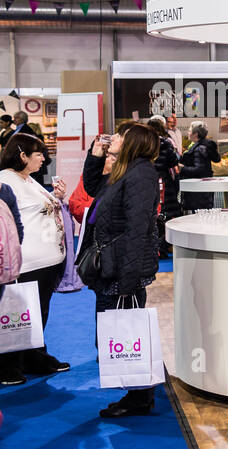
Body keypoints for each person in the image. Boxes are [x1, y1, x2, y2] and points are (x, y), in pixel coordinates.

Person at [79, 124, 161, 417]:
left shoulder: (141, 175)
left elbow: (138, 230)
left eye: (119, 135)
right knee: (114, 333)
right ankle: (138, 393)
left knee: (125, 335)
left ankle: (139, 396)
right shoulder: (125, 171)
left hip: (122, 270)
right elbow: (93, 190)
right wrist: (96, 156)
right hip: (112, 267)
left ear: (132, 143)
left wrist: (127, 279)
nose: (111, 137)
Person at [0, 133, 70, 386]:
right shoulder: (5, 181)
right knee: (15, 316)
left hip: (46, 263)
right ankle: (7, 365)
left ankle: (33, 357)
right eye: (38, 153)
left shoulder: (27, 179)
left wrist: (58, 198)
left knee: (37, 314)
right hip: (25, 264)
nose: (44, 158)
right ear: (22, 156)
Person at [147, 116, 181, 256]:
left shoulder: (145, 143)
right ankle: (162, 245)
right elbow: (174, 163)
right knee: (173, 216)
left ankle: (156, 246)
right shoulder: (165, 143)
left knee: (154, 215)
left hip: (149, 181)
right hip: (164, 184)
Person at [177, 121, 221, 211]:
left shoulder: (199, 149)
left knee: (198, 216)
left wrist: (182, 168)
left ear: (195, 134)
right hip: (203, 190)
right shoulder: (203, 146)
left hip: (198, 192)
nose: (188, 133)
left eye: (189, 131)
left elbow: (199, 170)